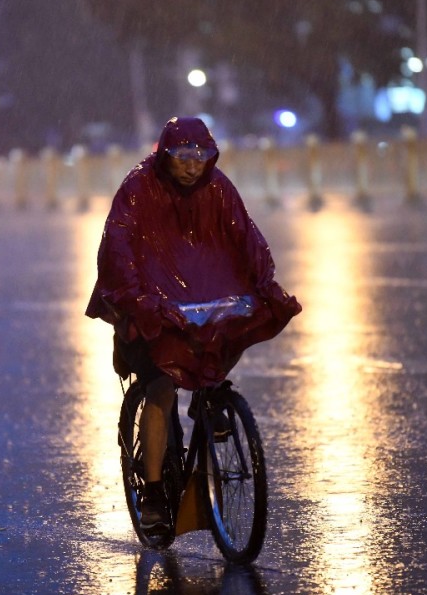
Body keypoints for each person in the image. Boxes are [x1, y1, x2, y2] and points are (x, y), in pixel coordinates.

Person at [85, 116, 301, 534]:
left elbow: (246, 238)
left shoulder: (218, 189)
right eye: (182, 157)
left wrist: (264, 284)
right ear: (165, 156)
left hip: (196, 305)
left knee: (217, 355)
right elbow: (118, 247)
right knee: (160, 390)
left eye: (200, 156)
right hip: (147, 309)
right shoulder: (137, 189)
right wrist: (139, 301)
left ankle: (210, 404)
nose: (191, 166)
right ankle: (150, 494)